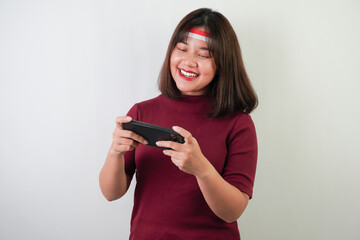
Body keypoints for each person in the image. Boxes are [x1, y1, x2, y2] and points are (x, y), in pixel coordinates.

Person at [99, 8, 258, 240]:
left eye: (204, 55)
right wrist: (114, 152)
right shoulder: (141, 112)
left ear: (223, 64)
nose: (189, 61)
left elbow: (232, 211)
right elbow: (110, 193)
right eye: (182, 49)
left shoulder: (238, 124)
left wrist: (201, 168)